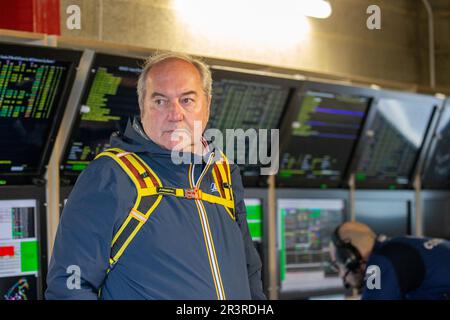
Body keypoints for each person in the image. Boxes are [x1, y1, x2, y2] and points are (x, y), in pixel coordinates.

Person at [46, 52, 266, 300]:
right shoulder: (111, 174)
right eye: (160, 101)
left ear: (207, 103)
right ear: (142, 106)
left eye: (187, 100)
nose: (175, 114)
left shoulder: (223, 172)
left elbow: (250, 273)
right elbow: (70, 286)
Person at [329, 221, 450, 300]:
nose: (340, 274)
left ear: (349, 258)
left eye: (338, 265)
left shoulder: (379, 264)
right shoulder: (397, 246)